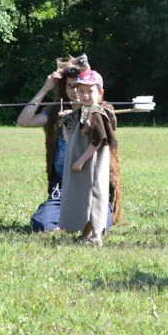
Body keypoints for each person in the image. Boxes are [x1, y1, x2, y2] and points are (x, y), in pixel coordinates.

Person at [17, 56, 123, 232]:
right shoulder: (54, 114)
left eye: (80, 87)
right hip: (63, 189)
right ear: (64, 89)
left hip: (92, 188)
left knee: (99, 225)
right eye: (70, 86)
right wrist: (45, 88)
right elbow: (24, 120)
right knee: (42, 224)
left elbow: (97, 125)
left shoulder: (101, 112)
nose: (76, 92)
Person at [58, 69, 117, 246]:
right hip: (80, 163)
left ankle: (96, 235)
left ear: (100, 93)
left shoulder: (97, 113)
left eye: (90, 91)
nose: (84, 95)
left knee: (94, 196)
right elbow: (71, 137)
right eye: (81, 91)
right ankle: (86, 233)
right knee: (83, 197)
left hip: (90, 164)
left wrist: (82, 160)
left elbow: (99, 139)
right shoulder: (82, 112)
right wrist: (65, 122)